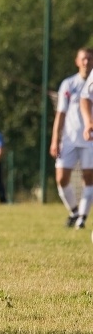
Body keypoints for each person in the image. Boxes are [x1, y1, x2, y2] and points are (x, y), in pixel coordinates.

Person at [51, 48, 93, 229]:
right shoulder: (68, 84)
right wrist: (55, 139)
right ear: (77, 61)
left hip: (89, 140)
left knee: (88, 178)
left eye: (90, 59)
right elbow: (60, 114)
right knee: (61, 178)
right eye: (83, 59)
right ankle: (75, 211)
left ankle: (82, 218)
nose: (86, 62)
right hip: (68, 139)